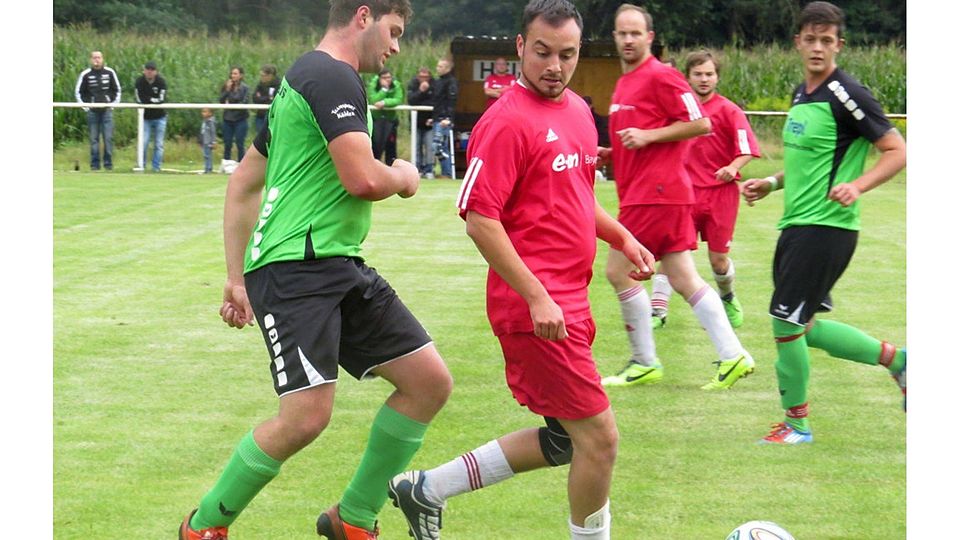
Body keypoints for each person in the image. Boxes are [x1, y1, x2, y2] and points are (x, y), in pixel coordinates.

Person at [178, 2, 453, 539]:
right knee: (305, 417)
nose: (395, 47)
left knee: (428, 383)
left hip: (333, 264)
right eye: (393, 32)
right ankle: (204, 526)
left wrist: (236, 278)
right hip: (296, 271)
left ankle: (352, 519)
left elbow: (243, 184)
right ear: (363, 15)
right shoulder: (331, 77)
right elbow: (363, 179)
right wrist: (404, 174)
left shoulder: (302, 83)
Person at [388, 2, 654, 539]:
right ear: (519, 48)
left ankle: (427, 489)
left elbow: (577, 196)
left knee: (563, 438)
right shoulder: (505, 121)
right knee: (599, 439)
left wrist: (621, 234)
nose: (554, 65)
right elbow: (480, 219)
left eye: (567, 54)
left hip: (570, 301)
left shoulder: (579, 110)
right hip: (534, 308)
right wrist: (537, 296)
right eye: (542, 52)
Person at [741, 1, 907, 444]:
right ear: (798, 42)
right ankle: (900, 361)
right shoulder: (802, 94)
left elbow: (897, 149)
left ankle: (797, 425)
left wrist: (858, 186)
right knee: (803, 326)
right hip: (797, 225)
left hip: (826, 228)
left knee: (784, 323)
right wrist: (772, 183)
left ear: (839, 45)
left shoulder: (846, 92)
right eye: (810, 39)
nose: (817, 47)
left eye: (826, 40)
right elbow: (807, 164)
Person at [599, 4, 754, 391]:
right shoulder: (625, 82)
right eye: (622, 33)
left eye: (636, 33)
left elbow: (701, 123)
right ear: (615, 37)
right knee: (684, 277)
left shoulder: (662, 76)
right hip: (647, 193)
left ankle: (644, 360)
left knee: (618, 271)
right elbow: (637, 136)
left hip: (657, 195)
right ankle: (732, 354)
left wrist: (649, 136)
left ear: (650, 37)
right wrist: (613, 154)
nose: (629, 39)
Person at [647, 49, 760, 329]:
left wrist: (733, 168)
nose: (704, 79)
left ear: (717, 77)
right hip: (683, 195)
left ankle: (728, 295)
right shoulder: (679, 113)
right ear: (688, 77)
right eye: (698, 74)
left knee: (718, 261)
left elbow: (746, 150)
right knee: (671, 251)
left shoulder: (729, 111)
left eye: (709, 74)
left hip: (721, 195)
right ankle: (657, 311)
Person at [74, 50, 121, 171]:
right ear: (90, 59)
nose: (96, 60)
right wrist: (86, 107)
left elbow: (117, 90)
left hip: (107, 112)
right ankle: (94, 165)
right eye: (94, 57)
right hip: (92, 113)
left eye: (99, 57)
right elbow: (79, 92)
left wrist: (112, 106)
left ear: (103, 59)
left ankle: (108, 165)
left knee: (108, 138)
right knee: (94, 139)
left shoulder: (110, 72)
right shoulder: (86, 74)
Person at [134, 60, 168, 172]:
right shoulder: (139, 82)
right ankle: (141, 165)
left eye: (152, 70)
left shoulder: (161, 82)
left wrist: (148, 99)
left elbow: (161, 99)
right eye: (147, 69)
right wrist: (151, 100)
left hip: (160, 117)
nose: (149, 72)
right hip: (145, 118)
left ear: (156, 71)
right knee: (143, 142)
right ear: (144, 71)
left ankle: (156, 168)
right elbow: (139, 99)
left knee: (159, 144)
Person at [368, 67, 404, 165]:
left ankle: (391, 167)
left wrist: (384, 102)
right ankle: (374, 167)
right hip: (376, 120)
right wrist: (384, 90)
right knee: (375, 146)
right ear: (379, 78)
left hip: (390, 120)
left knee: (391, 146)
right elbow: (373, 99)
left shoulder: (396, 85)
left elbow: (398, 99)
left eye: (389, 77)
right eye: (384, 77)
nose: (387, 79)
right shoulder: (373, 84)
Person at [431, 57, 458, 179]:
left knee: (439, 146)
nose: (438, 68)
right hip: (437, 118)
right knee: (439, 146)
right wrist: (433, 117)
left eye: (441, 66)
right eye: (438, 66)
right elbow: (438, 102)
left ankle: (447, 173)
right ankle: (445, 171)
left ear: (447, 68)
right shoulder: (438, 81)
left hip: (444, 119)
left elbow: (451, 101)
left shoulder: (451, 82)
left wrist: (448, 118)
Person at [406, 66, 436, 177]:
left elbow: (434, 101)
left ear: (429, 76)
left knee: (429, 147)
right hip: (416, 122)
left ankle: (429, 169)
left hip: (430, 121)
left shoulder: (434, 84)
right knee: (416, 146)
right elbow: (411, 100)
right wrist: (421, 91)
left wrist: (432, 117)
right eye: (421, 76)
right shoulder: (413, 84)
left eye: (426, 77)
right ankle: (417, 168)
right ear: (418, 76)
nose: (423, 79)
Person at [219, 65, 250, 162]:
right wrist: (227, 90)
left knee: (240, 143)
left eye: (235, 73)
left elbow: (244, 102)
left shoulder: (245, 88)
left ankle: (241, 163)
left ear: (241, 75)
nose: (233, 76)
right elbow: (221, 100)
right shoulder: (227, 86)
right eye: (232, 73)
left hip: (240, 119)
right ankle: (226, 163)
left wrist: (232, 104)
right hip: (227, 119)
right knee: (227, 143)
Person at [252, 64, 280, 135]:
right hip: (260, 115)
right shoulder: (260, 84)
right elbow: (255, 98)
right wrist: (267, 97)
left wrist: (261, 97)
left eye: (263, 75)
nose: (261, 77)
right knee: (260, 137)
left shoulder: (279, 85)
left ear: (270, 75)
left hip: (272, 116)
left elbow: (275, 100)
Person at [199, 107, 217, 174]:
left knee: (208, 156)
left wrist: (214, 142)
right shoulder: (204, 121)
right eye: (202, 112)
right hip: (204, 141)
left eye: (205, 112)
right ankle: (206, 168)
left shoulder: (211, 122)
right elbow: (202, 132)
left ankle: (209, 169)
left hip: (208, 142)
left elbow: (213, 132)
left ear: (210, 113)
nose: (203, 113)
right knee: (205, 155)